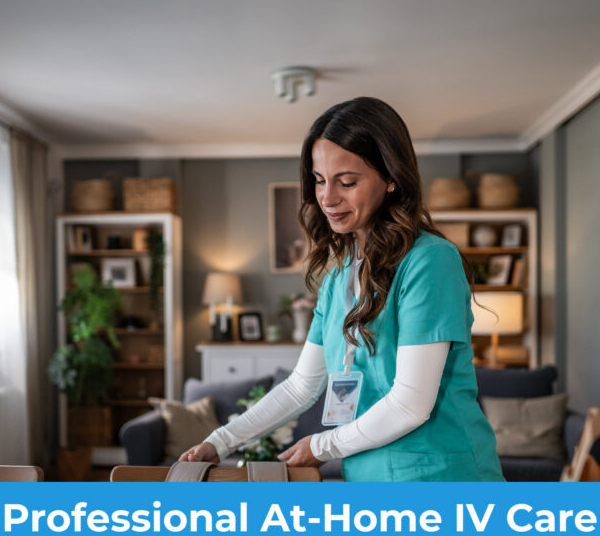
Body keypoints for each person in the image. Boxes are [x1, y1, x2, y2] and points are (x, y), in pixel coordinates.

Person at [180, 96, 505, 482]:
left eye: (347, 182)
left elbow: (411, 404)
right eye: (319, 180)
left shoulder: (430, 261)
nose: (328, 198)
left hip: (441, 478)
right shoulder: (339, 278)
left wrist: (321, 446)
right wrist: (221, 440)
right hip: (367, 479)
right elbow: (301, 386)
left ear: (391, 178)